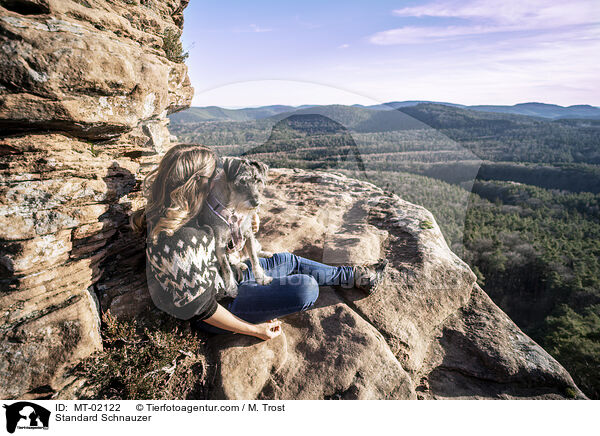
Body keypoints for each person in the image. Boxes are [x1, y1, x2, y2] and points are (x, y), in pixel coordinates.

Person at [131, 144, 386, 341]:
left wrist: (246, 221)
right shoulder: (179, 239)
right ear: (195, 184)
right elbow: (202, 307)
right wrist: (253, 330)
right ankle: (270, 294)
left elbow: (225, 236)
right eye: (213, 176)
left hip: (230, 275)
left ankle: (355, 276)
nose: (220, 180)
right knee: (306, 288)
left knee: (287, 260)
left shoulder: (188, 207)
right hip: (221, 306)